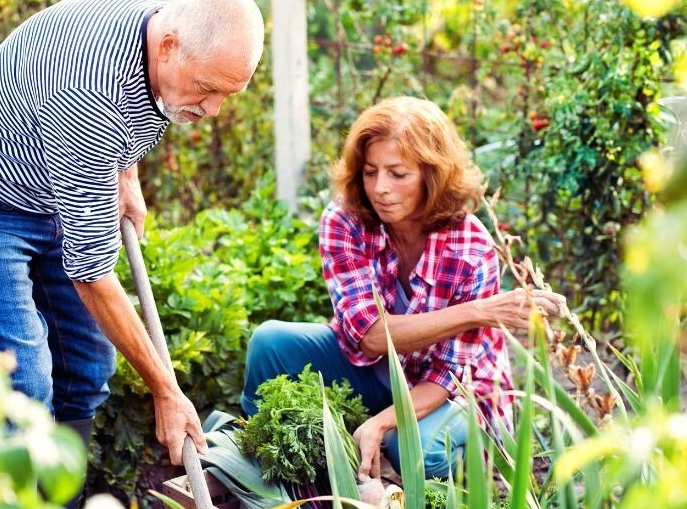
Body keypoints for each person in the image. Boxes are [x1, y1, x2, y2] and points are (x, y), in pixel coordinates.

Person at [0, 0, 265, 482]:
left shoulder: (166, 18)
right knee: (24, 385)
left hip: (49, 183)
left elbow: (133, 112)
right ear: (168, 46)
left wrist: (125, 174)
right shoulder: (88, 98)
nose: (213, 110)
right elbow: (92, 275)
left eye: (228, 95)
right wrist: (166, 390)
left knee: (86, 364)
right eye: (208, 89)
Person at [241, 96, 566, 480]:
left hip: (453, 394)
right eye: (370, 172)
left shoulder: (470, 247)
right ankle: (276, 473)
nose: (380, 188)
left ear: (432, 176)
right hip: (375, 370)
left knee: (415, 448)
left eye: (398, 174)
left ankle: (464, 478)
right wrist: (478, 312)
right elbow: (369, 336)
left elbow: (447, 376)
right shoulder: (345, 220)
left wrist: (381, 423)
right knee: (270, 344)